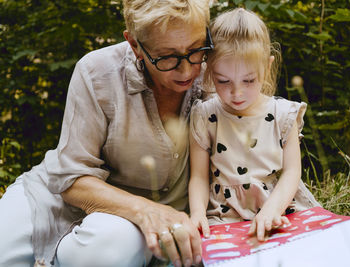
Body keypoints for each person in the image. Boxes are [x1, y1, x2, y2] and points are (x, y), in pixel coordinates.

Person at [0, 0, 212, 266]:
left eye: (196, 50)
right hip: (52, 198)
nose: (188, 69)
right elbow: (71, 176)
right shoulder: (97, 71)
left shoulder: (220, 73)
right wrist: (146, 209)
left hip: (121, 231)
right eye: (167, 57)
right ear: (134, 44)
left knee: (109, 249)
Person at [188, 8, 321, 242]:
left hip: (280, 207)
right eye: (223, 81)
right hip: (224, 215)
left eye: (249, 80)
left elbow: (292, 172)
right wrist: (197, 213)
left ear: (267, 67)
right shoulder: (205, 115)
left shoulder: (283, 115)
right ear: (209, 71)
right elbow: (198, 177)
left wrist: (272, 210)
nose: (236, 93)